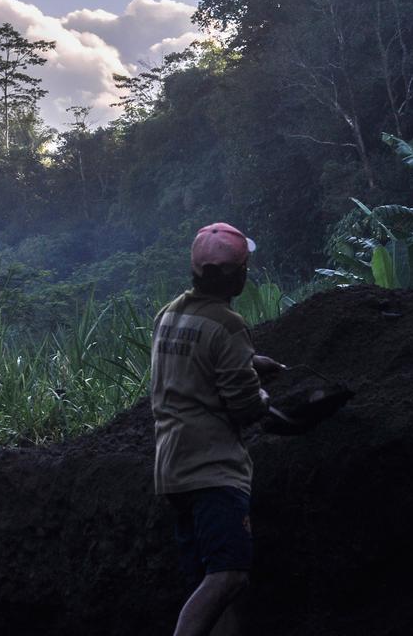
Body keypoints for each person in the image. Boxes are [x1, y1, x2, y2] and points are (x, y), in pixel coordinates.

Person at [150, 222, 301, 636]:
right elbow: (245, 406)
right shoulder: (228, 324)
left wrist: (252, 362)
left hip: (172, 469)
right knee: (230, 576)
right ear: (237, 275)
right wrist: (268, 401)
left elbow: (195, 363)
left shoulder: (170, 315)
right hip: (213, 469)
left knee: (213, 584)